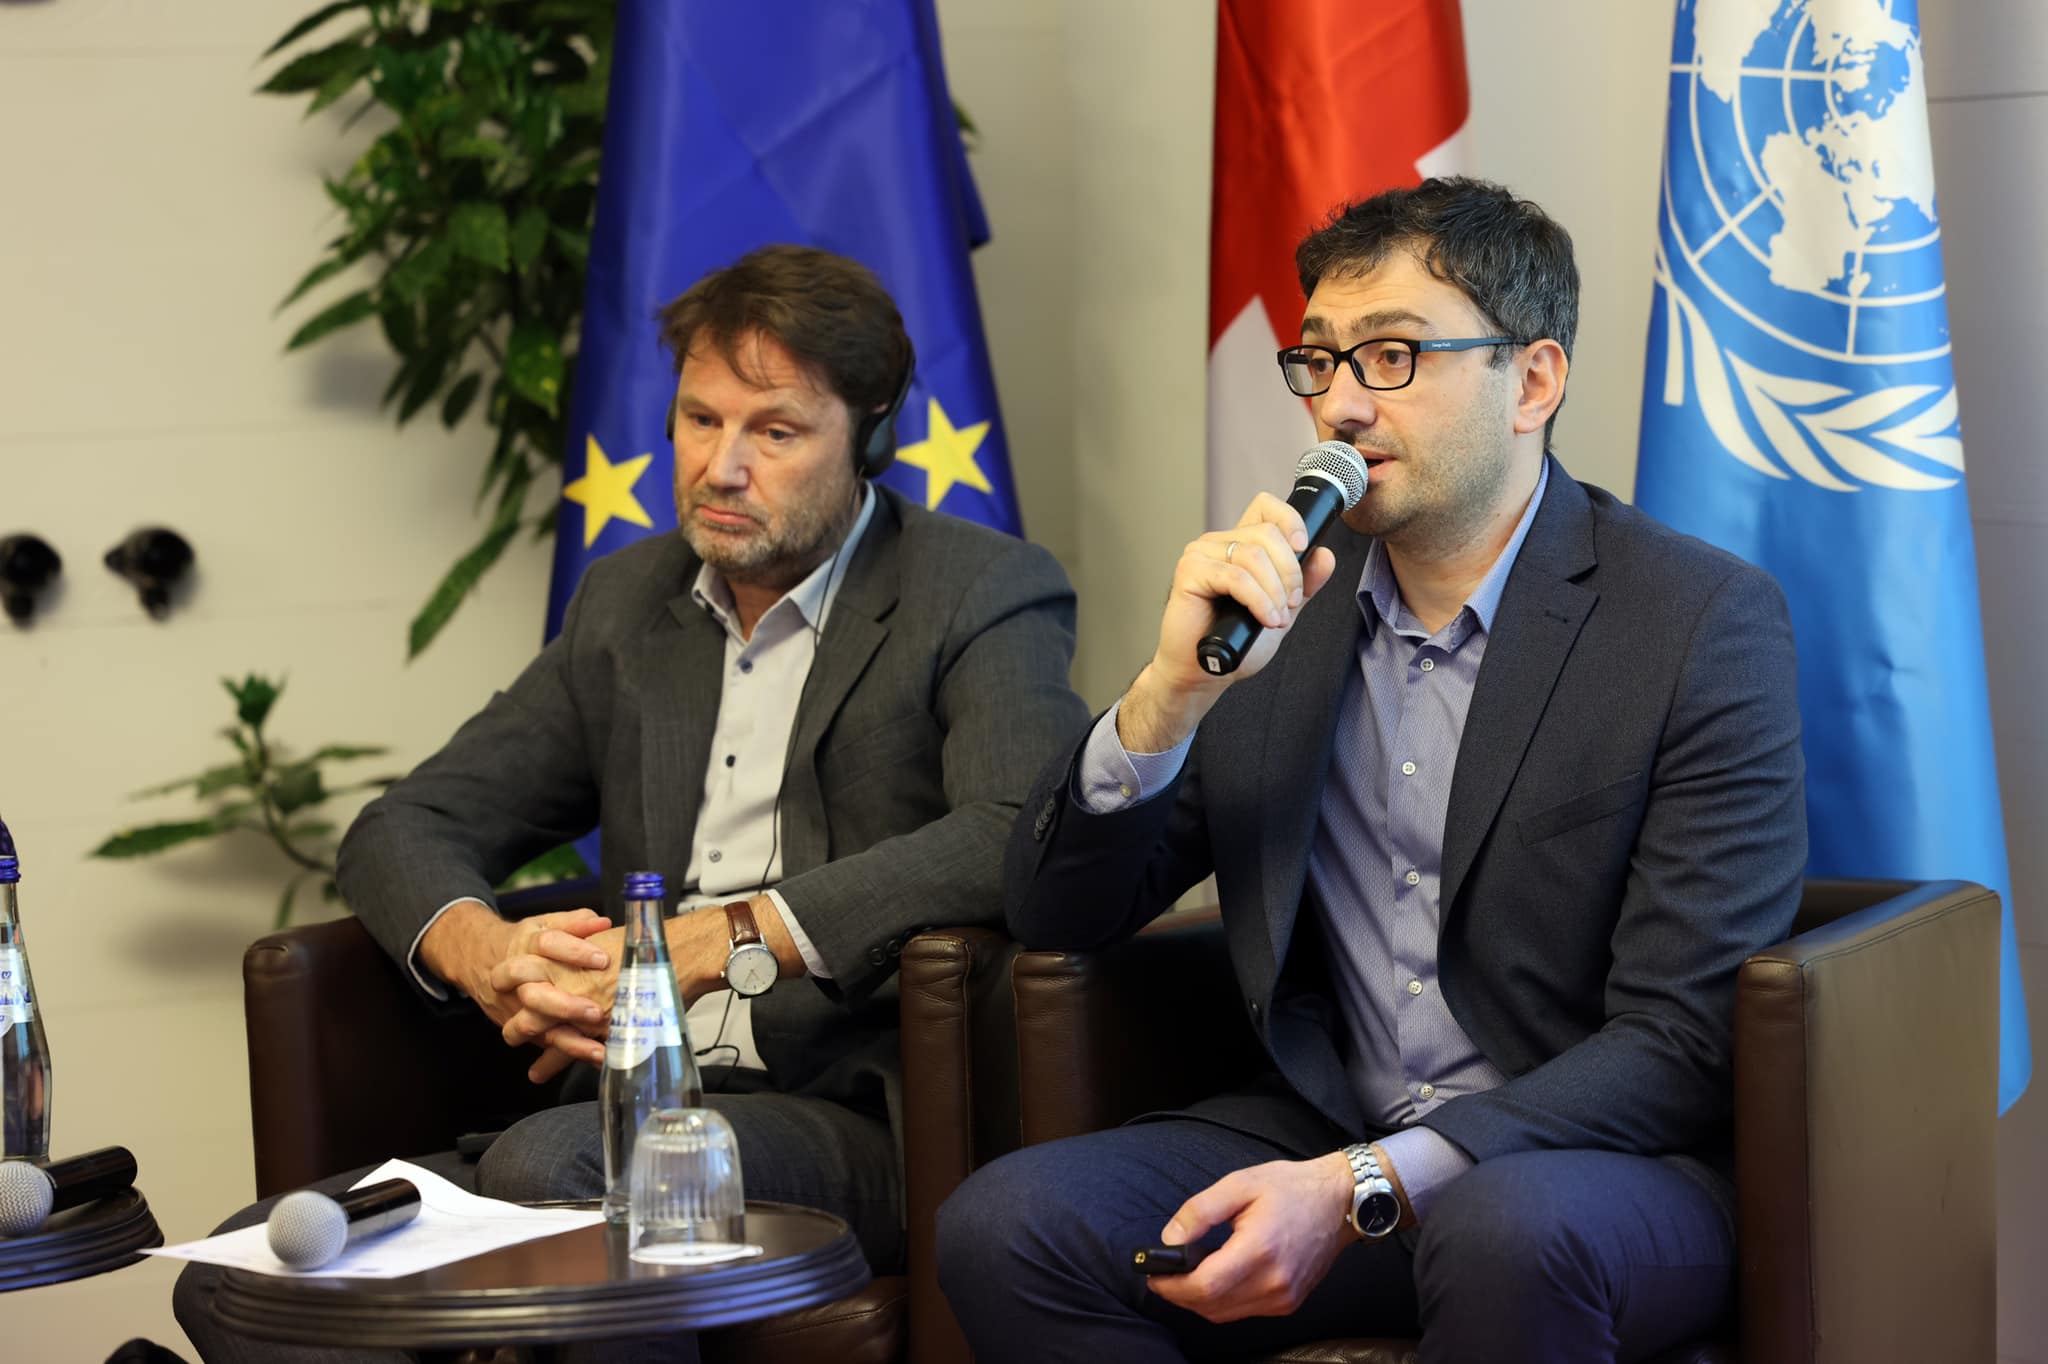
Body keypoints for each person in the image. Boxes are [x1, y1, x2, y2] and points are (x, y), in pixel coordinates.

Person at [937, 178, 1806, 1364]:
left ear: (1531, 381)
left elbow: (1682, 1035)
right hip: (1324, 1119)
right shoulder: (1280, 607)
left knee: (1502, 1230)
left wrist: (1359, 1183)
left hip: (1591, 1165)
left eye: (1391, 355)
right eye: (1319, 360)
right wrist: (1168, 693)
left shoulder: (1695, 620)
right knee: (1006, 1226)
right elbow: (1058, 910)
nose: (1339, 404)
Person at [173, 244, 1090, 1362]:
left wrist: (727, 938)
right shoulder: (627, 603)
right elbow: (407, 825)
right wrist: (490, 954)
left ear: (868, 432)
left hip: (846, 1114)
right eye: (700, 420)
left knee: (561, 1165)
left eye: (774, 432)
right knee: (247, 1272)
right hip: (609, 1105)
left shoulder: (978, 588)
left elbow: (1016, 826)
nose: (721, 467)